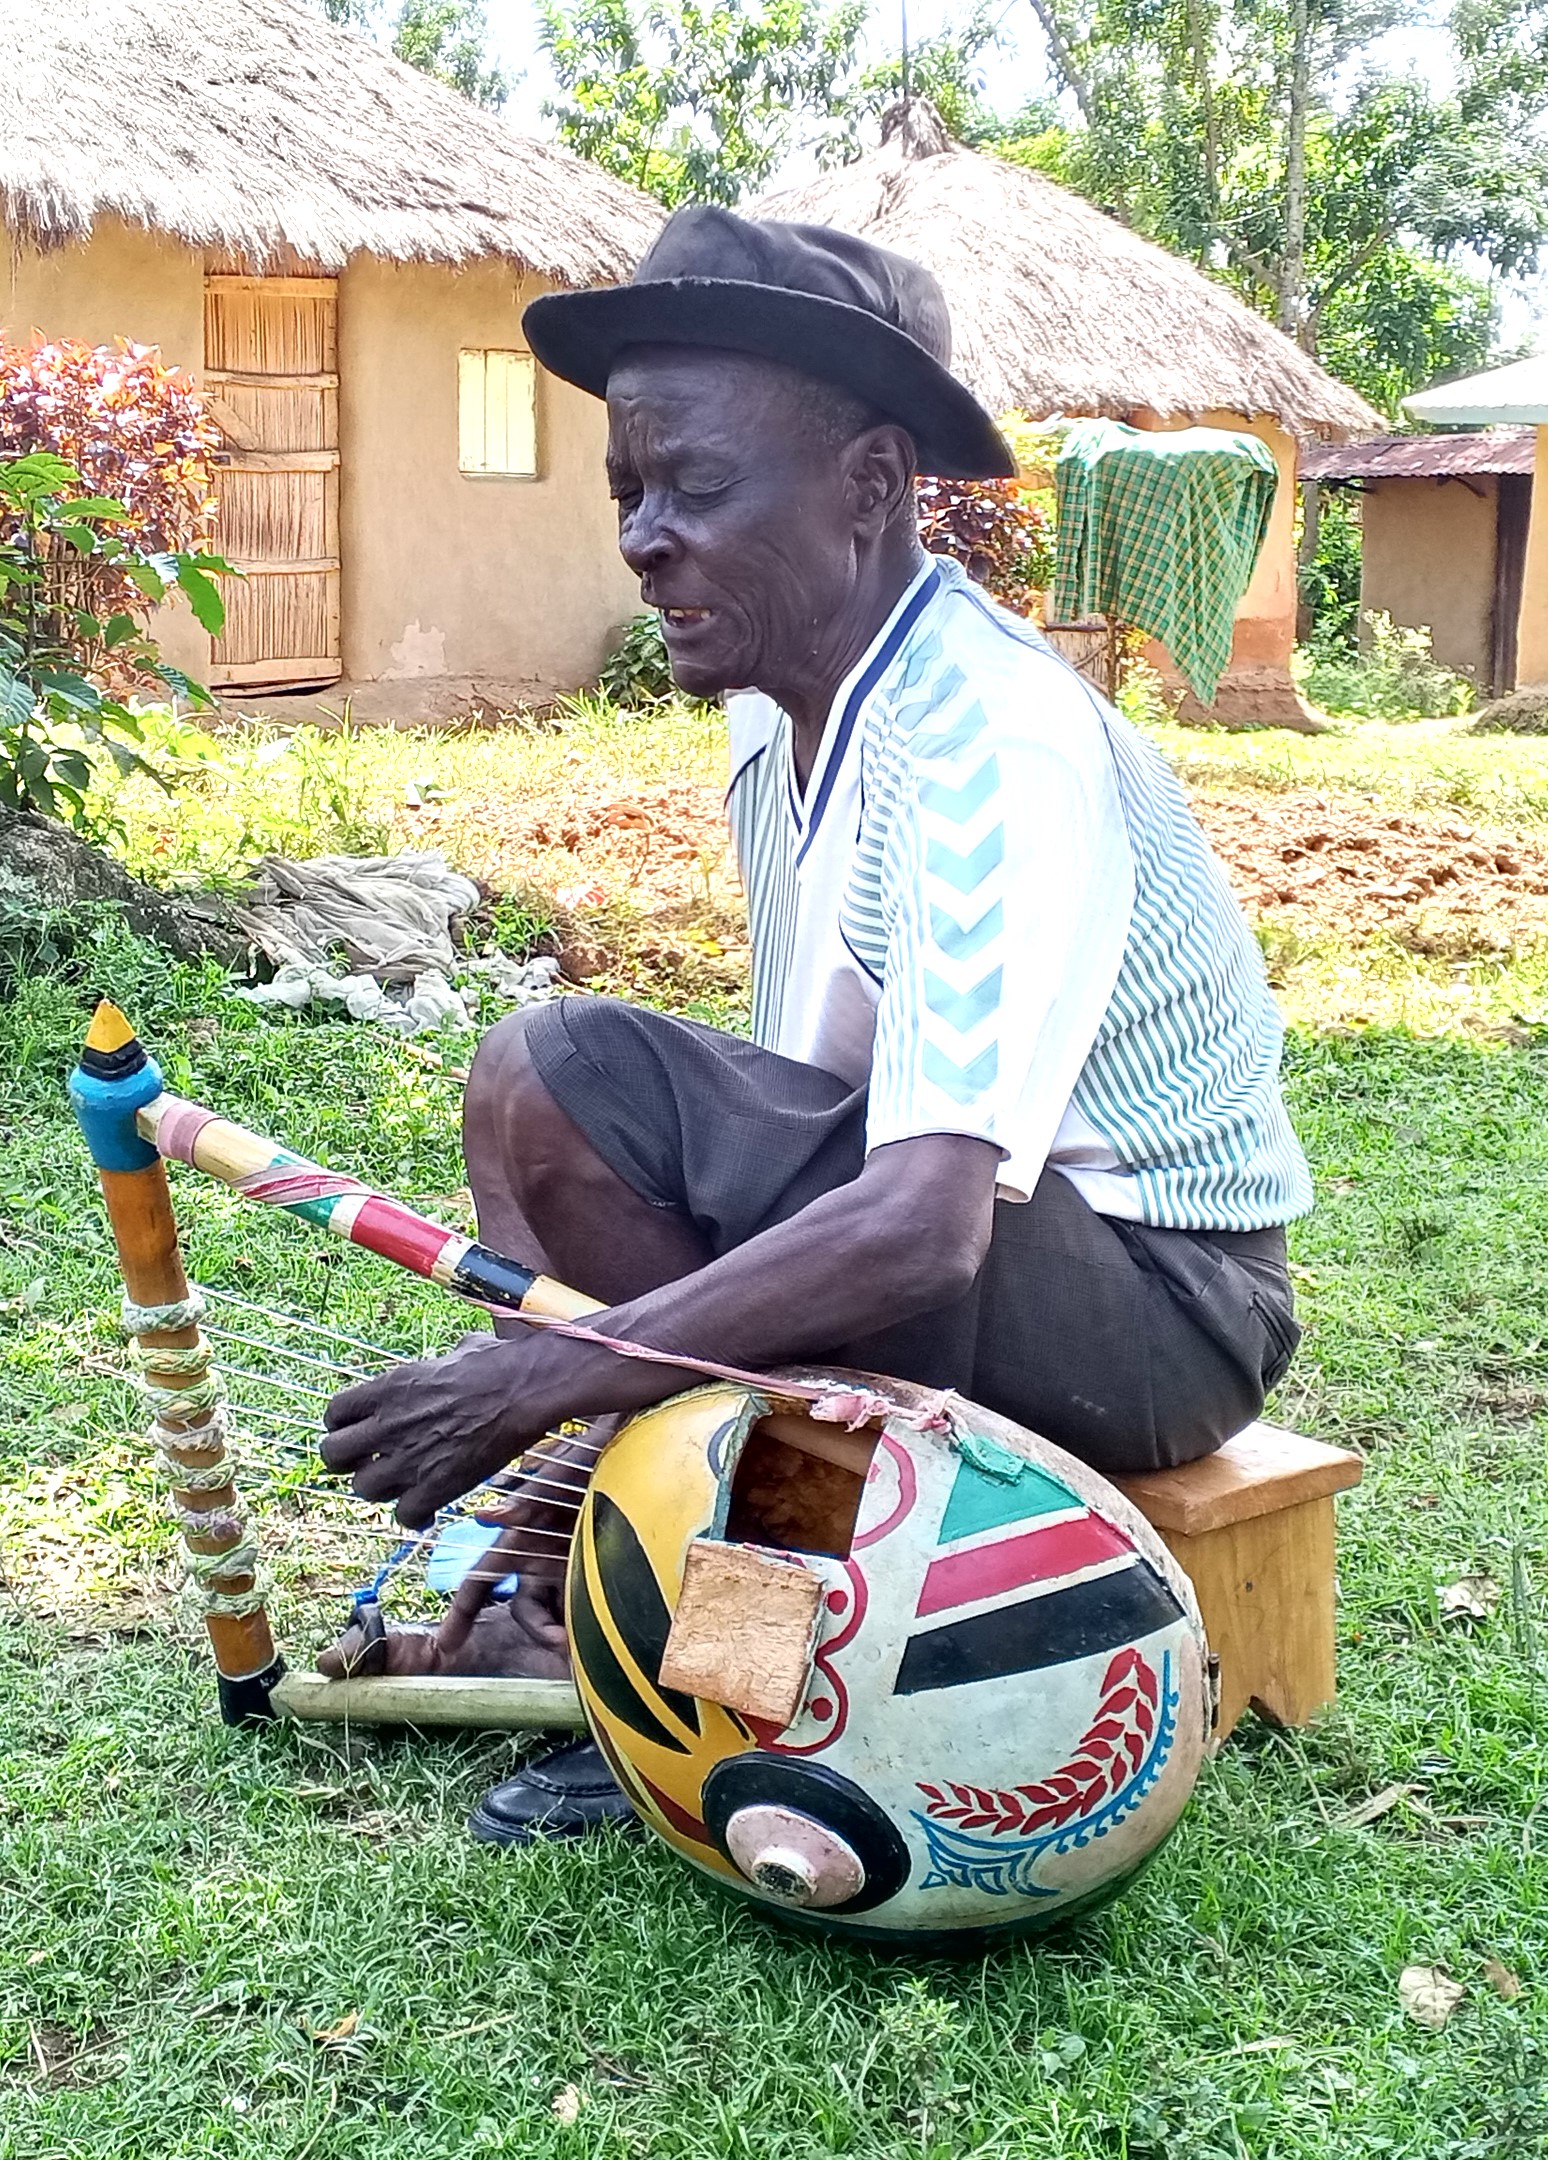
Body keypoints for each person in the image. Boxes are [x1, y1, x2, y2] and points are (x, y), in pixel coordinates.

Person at [319, 206, 1311, 1843]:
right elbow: (805, 1119)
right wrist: (550, 1506)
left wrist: (537, 1386)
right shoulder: (781, 721)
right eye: (628, 495)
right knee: (547, 1082)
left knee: (600, 1087)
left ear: (870, 484)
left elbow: (917, 1230)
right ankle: (601, 1601)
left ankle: (733, 1678)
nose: (646, 542)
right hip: (985, 1244)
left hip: (1163, 1307)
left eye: (697, 488)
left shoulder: (988, 740)